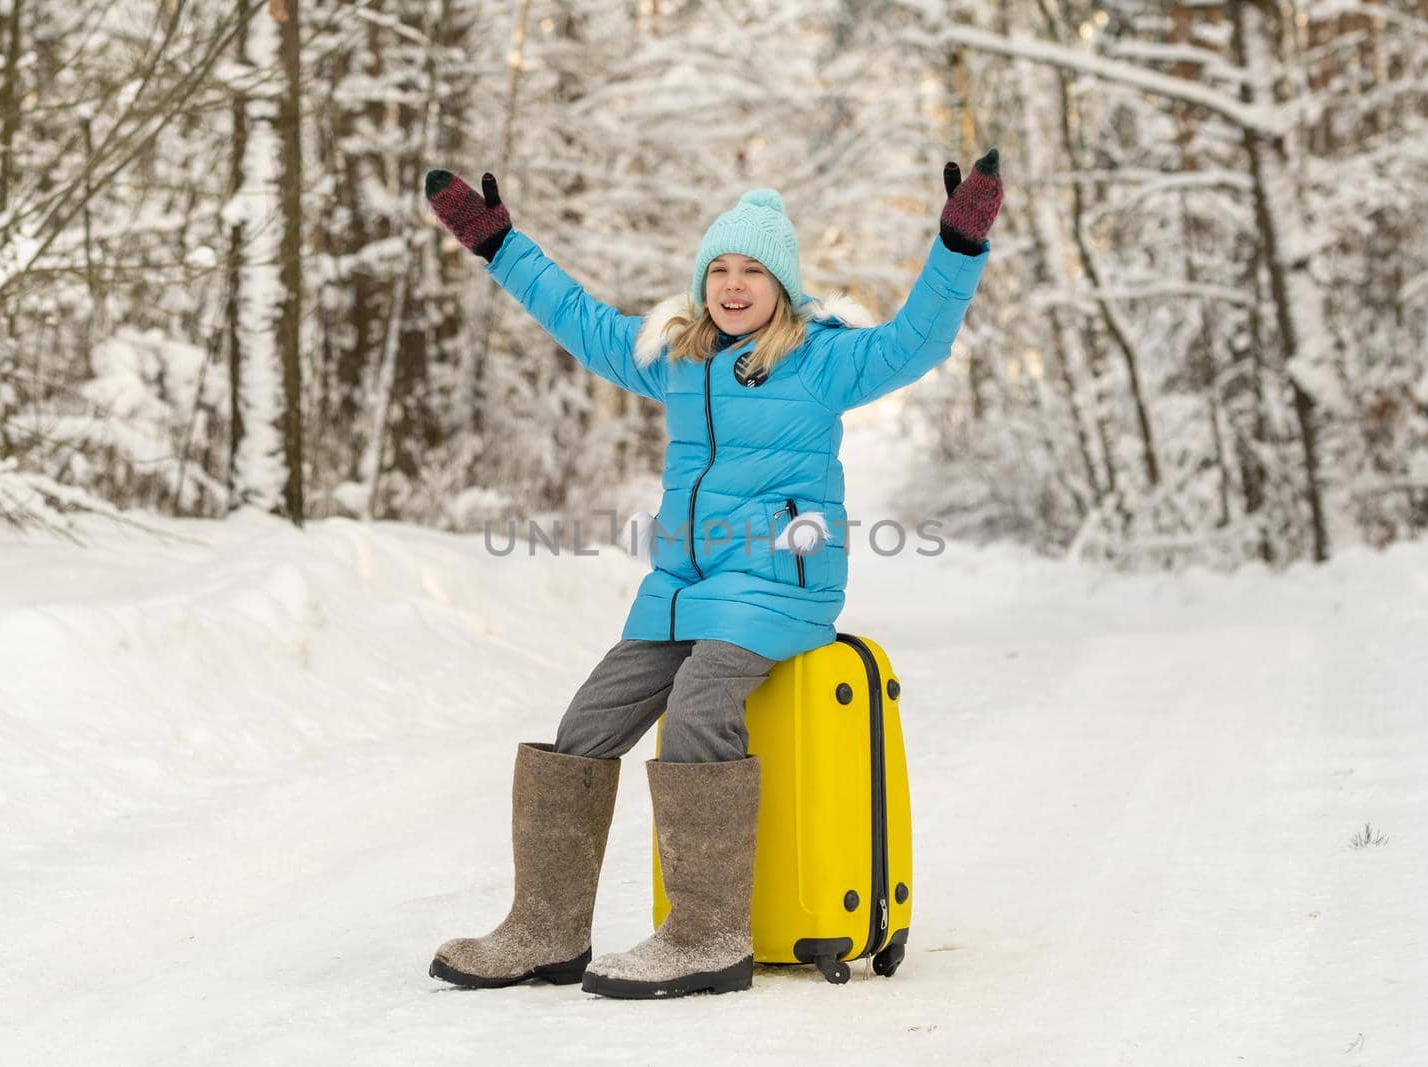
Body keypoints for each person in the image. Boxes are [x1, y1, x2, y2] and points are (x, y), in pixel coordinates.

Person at [422, 153, 1004, 999]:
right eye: (720, 270)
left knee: (699, 703)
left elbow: (920, 337)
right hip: (683, 588)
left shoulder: (822, 360)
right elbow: (580, 319)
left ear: (783, 285)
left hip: (781, 584)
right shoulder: (677, 358)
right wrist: (501, 245)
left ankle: (707, 934)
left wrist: (957, 243)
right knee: (588, 719)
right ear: (702, 284)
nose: (734, 286)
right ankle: (545, 928)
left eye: (753, 272)